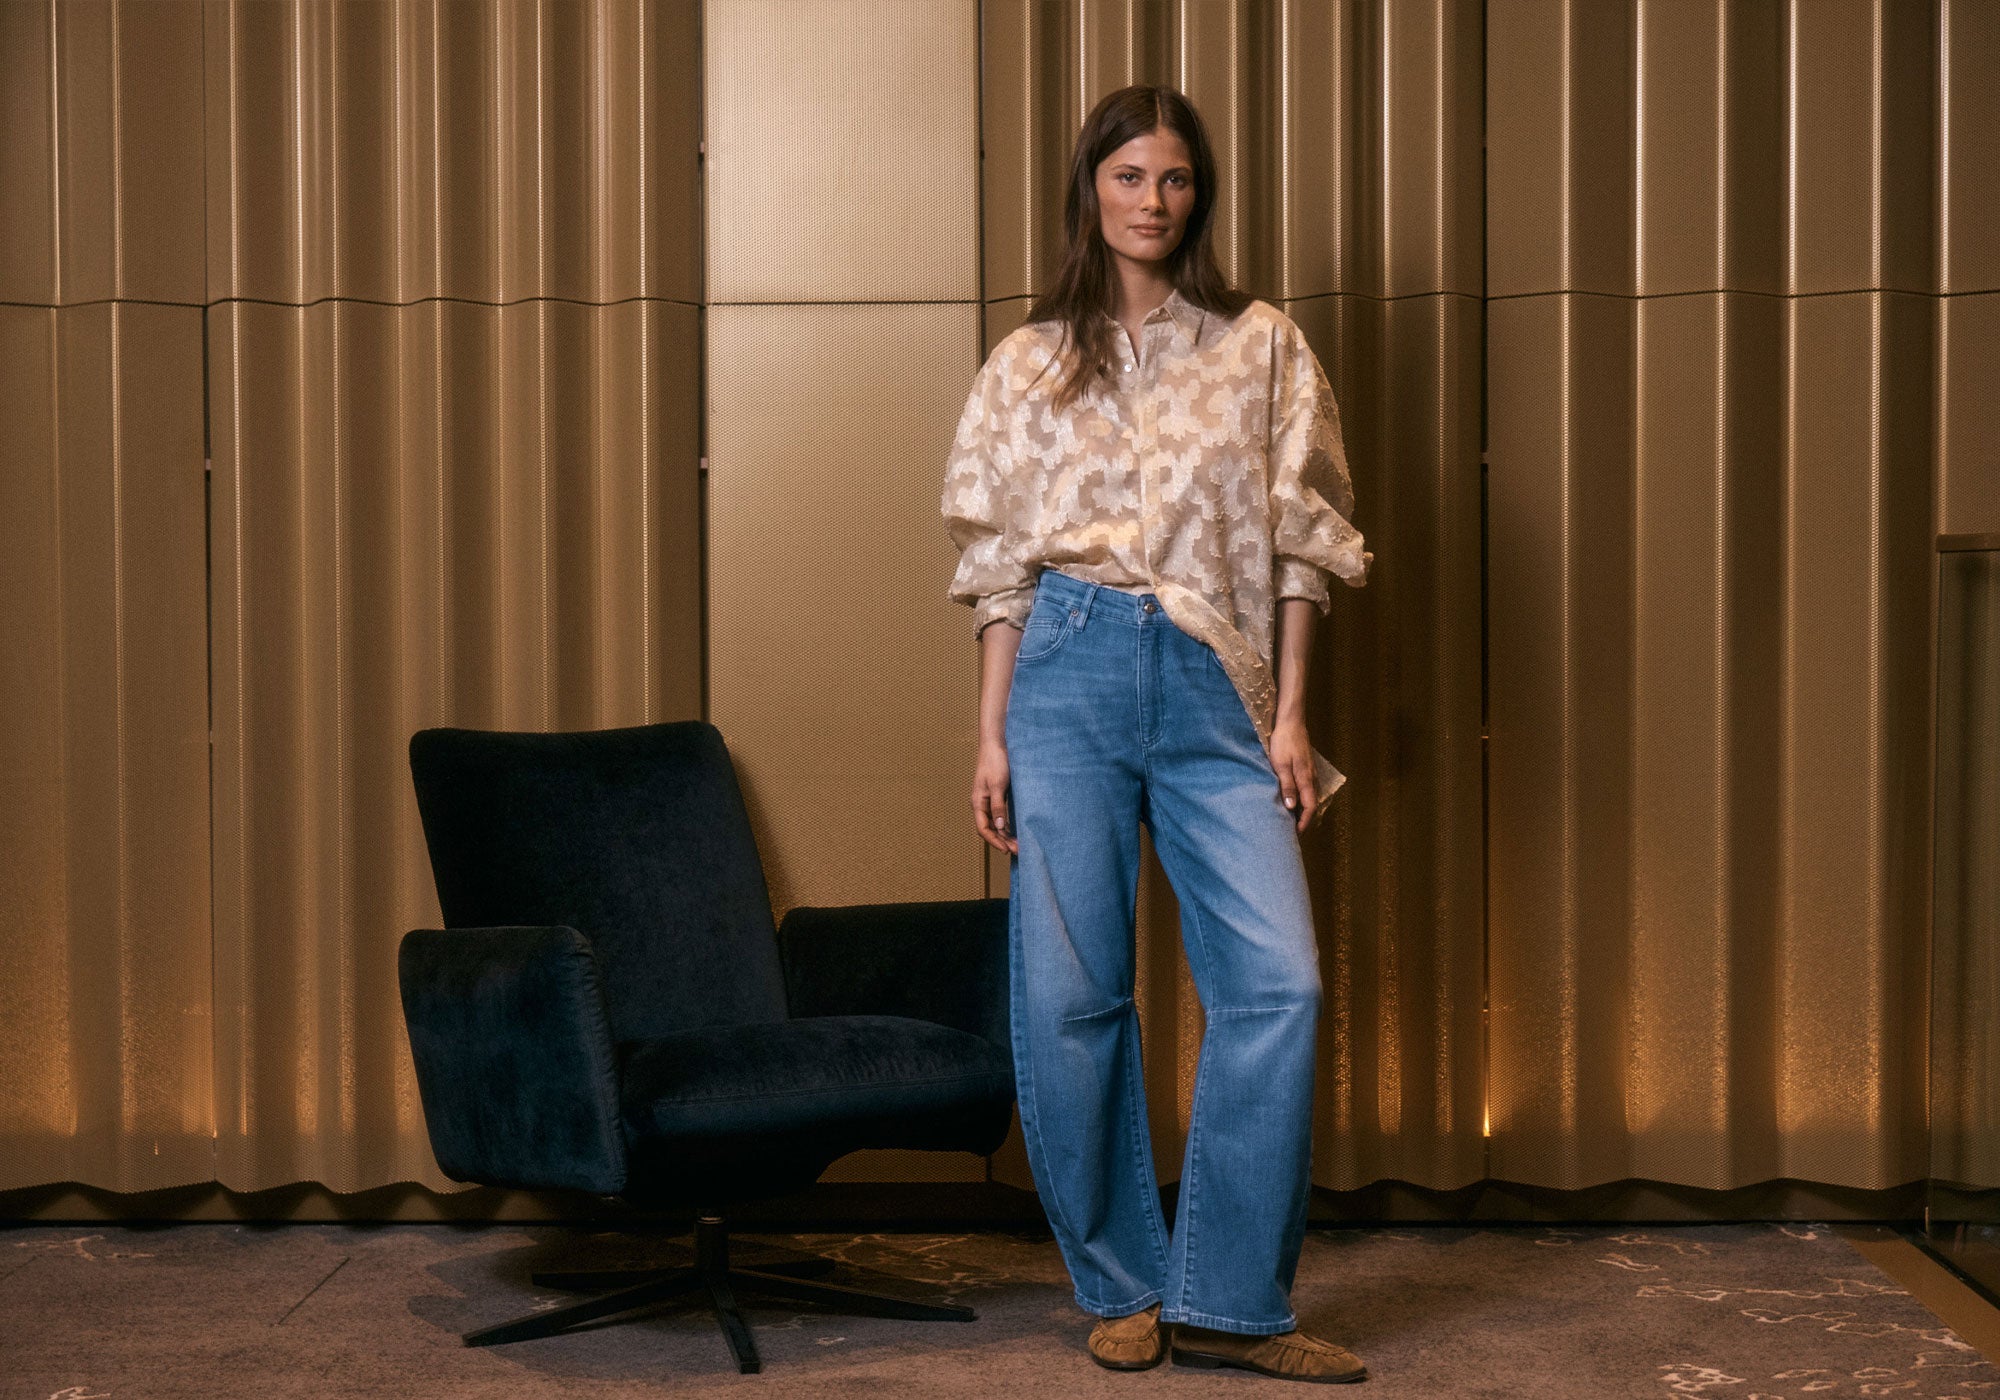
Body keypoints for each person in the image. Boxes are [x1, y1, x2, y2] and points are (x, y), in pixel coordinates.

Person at [938, 84, 1373, 1384]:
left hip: (1213, 680)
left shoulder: (1262, 347)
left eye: (1175, 179)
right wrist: (992, 734)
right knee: (1072, 995)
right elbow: (998, 571)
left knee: (1275, 984)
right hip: (1063, 669)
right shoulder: (1028, 362)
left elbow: (1306, 541)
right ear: (1092, 189)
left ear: (1200, 196)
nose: (1152, 201)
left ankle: (1235, 1300)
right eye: (1128, 176)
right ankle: (1126, 1285)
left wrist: (1290, 715)